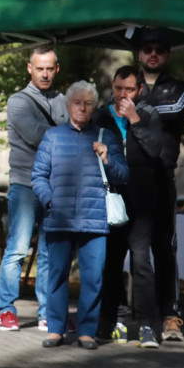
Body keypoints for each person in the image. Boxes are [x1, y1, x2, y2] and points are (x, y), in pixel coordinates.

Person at [32, 81, 128, 350]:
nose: (83, 108)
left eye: (88, 103)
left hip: (95, 219)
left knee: (93, 277)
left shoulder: (105, 135)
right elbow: (38, 176)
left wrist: (108, 158)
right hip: (59, 218)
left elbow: (124, 175)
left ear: (93, 106)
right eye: (78, 102)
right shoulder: (53, 136)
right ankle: (55, 328)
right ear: (68, 105)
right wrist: (50, 199)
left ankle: (87, 330)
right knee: (57, 275)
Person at [0, 45, 68, 331]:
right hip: (25, 185)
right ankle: (6, 309)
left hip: (56, 186)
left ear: (57, 68)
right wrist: (70, 133)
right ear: (29, 68)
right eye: (39, 68)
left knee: (50, 251)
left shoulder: (65, 100)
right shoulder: (18, 101)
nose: (45, 74)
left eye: (50, 68)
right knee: (18, 248)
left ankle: (47, 311)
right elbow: (37, 135)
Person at [93, 66, 164, 348]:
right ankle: (111, 320)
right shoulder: (100, 116)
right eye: (119, 88)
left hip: (142, 201)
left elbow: (155, 151)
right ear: (113, 86)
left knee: (141, 263)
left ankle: (147, 324)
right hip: (110, 198)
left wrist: (134, 119)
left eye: (129, 90)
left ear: (140, 91)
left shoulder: (148, 115)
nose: (123, 95)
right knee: (110, 263)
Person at [136, 28, 184, 341]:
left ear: (167, 54)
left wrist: (134, 108)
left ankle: (171, 314)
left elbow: (174, 110)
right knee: (134, 251)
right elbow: (111, 110)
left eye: (159, 49)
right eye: (147, 49)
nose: (153, 54)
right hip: (130, 178)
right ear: (140, 54)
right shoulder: (130, 84)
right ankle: (136, 314)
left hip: (162, 176)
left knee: (165, 247)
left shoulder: (180, 87)